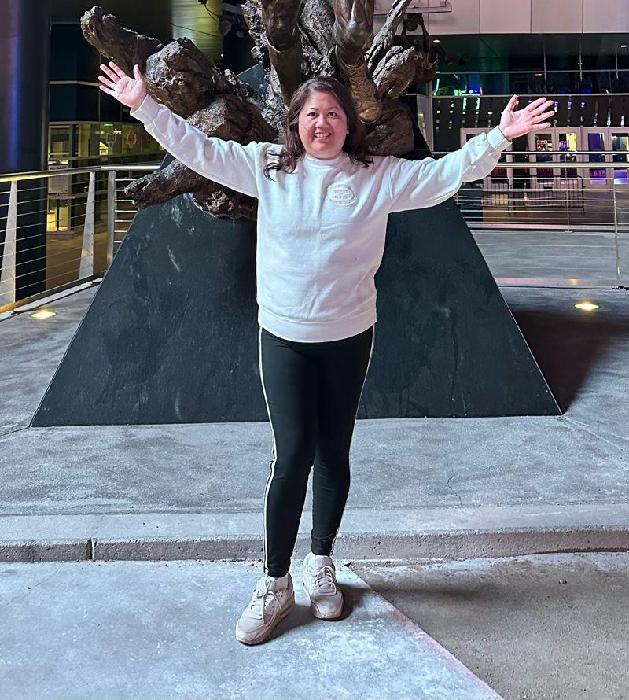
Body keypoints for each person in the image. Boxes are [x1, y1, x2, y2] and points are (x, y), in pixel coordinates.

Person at [98, 61, 554, 645]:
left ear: (347, 124)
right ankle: (274, 581)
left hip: (348, 335)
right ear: (296, 122)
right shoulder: (267, 166)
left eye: (333, 113)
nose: (323, 123)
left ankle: (320, 561)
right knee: (292, 456)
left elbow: (443, 175)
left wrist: (499, 137)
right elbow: (199, 150)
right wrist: (144, 105)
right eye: (312, 113)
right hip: (284, 336)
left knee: (334, 451)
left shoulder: (376, 176)